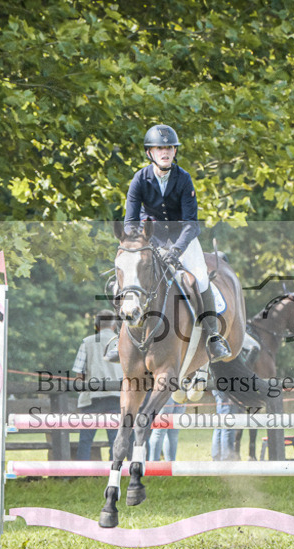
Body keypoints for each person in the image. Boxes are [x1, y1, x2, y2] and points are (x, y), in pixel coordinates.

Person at [121, 123, 228, 360]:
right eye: (160, 148)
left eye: (169, 147)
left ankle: (213, 337)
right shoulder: (139, 179)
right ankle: (120, 337)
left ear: (174, 151)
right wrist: (139, 242)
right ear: (150, 152)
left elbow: (192, 223)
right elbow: (129, 221)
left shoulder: (184, 179)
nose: (165, 152)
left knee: (200, 278)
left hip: (184, 240)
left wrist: (177, 249)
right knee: (129, 275)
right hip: (151, 240)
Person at [72, 310, 124, 461]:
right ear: (114, 325)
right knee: (115, 439)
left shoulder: (87, 342)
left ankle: (82, 471)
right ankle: (113, 470)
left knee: (86, 439)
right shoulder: (122, 342)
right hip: (116, 397)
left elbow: (79, 372)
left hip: (92, 398)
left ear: (97, 325)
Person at [148, 397, 184, 461]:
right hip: (166, 391)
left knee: (174, 432)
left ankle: (171, 466)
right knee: (159, 431)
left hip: (181, 391)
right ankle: (153, 465)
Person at [211, 390, 237, 461]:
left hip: (219, 389)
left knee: (219, 426)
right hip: (227, 390)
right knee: (227, 426)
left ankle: (216, 456)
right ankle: (226, 457)